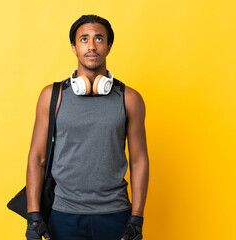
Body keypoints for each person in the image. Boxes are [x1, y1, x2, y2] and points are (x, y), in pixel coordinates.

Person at [25, 14, 149, 240]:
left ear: (109, 46)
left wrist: (137, 217)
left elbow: (139, 160)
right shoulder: (52, 96)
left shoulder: (129, 99)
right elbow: (37, 157)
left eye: (99, 39)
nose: (91, 46)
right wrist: (34, 215)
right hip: (63, 214)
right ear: (73, 47)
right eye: (84, 39)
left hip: (116, 214)